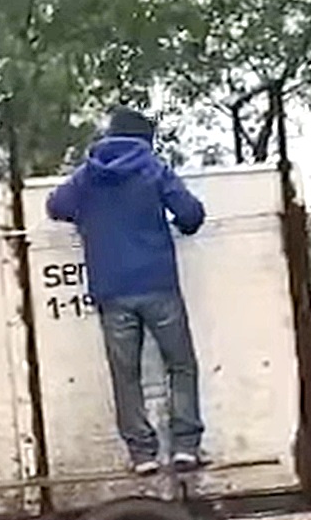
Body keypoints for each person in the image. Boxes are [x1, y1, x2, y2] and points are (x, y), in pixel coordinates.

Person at [46, 106, 207, 475]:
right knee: (180, 364)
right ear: (144, 138)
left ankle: (142, 454)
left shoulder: (88, 175)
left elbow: (56, 206)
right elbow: (191, 215)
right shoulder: (153, 168)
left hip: (111, 289)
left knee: (126, 374)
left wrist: (91, 218)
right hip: (157, 284)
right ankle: (185, 446)